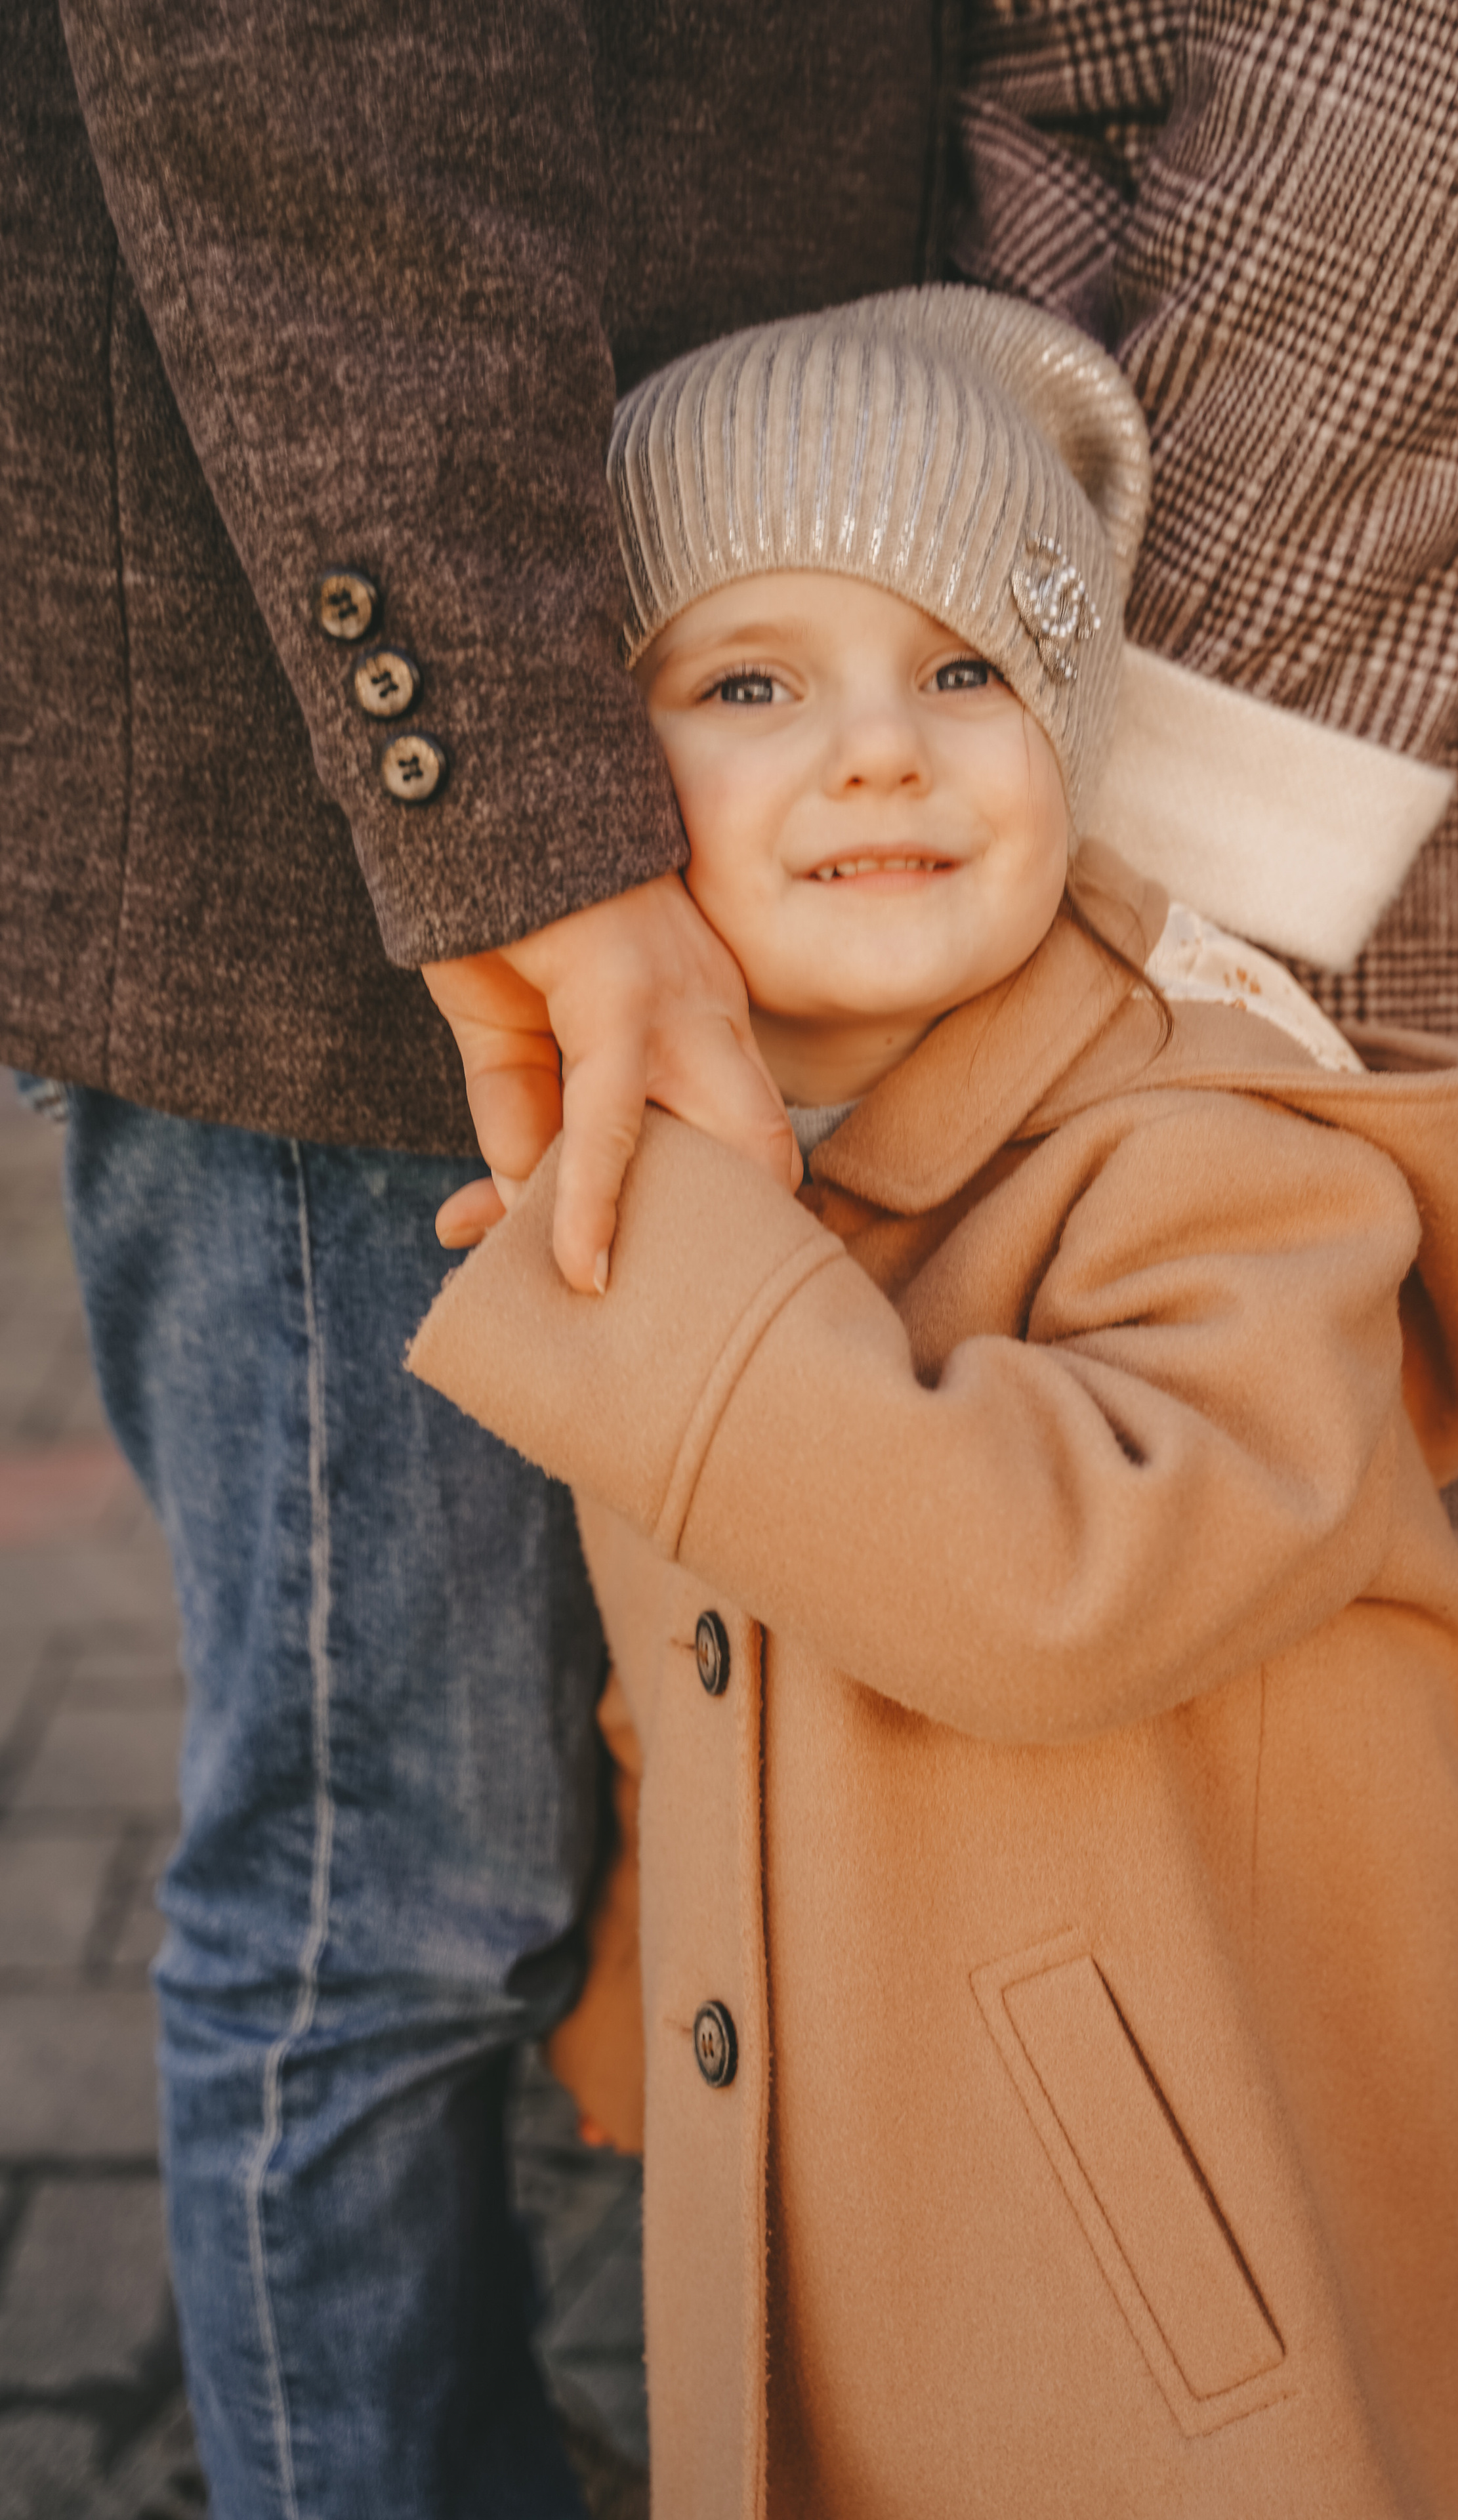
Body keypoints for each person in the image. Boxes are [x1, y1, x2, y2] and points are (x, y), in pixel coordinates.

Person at [410, 289, 1458, 2520]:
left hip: (1211, 2286)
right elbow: (692, 1661)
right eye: (751, 682)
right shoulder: (726, 1166)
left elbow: (1056, 1586)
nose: (882, 751)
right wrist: (648, 1964)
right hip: (886, 2184)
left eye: (969, 671)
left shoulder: (1234, 1159)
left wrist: (669, 1271)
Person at [1, 4, 947, 2511]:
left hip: (680, 831)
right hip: (380, 902)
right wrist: (518, 821)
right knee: (399, 1891)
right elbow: (302, 72)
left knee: (567, 1845)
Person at [946, 0, 1458, 2110]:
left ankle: (1444, 2309)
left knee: (1434, 1659)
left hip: (1345, 653)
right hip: (1284, 576)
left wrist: (1104, 834)